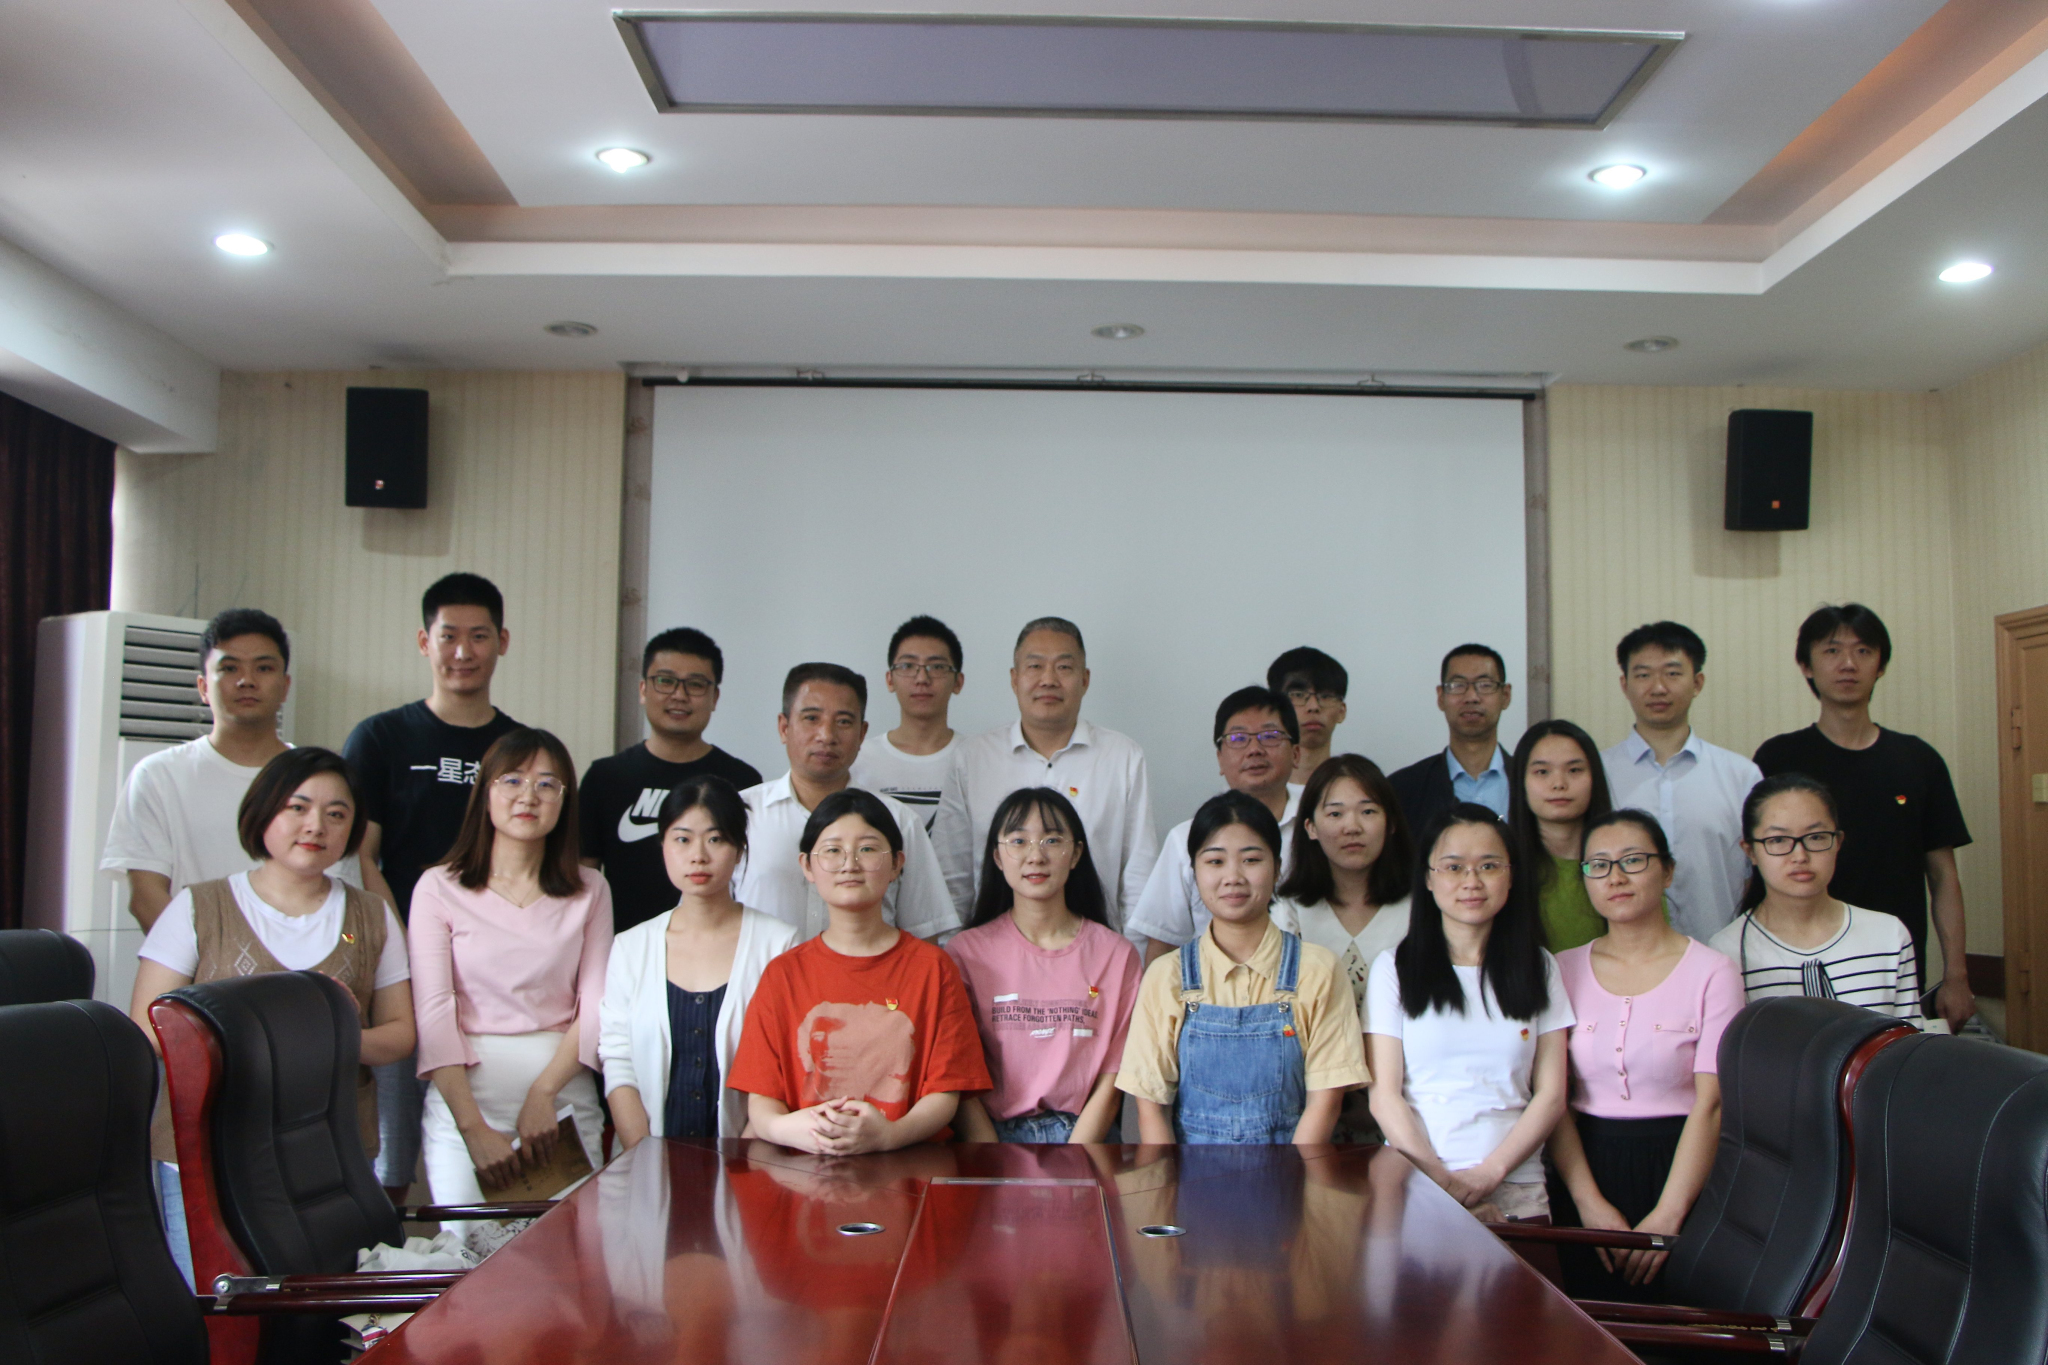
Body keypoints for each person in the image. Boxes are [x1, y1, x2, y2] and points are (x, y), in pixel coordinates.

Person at [129, 747, 412, 1286]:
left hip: (329, 1153)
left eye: (336, 813)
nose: (316, 825)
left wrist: (334, 1036)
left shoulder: (371, 916)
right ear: (263, 814)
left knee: (323, 1308)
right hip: (207, 1149)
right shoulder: (198, 907)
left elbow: (400, 1034)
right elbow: (146, 1028)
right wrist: (265, 1043)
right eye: (297, 807)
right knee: (216, 1305)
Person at [344, 572, 522, 1202]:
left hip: (493, 973)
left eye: (479, 636)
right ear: (425, 642)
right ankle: (388, 1246)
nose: (463, 651)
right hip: (402, 967)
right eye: (449, 636)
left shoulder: (517, 749)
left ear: (502, 642)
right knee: (393, 1150)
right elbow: (361, 855)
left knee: (491, 1142)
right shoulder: (380, 738)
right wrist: (406, 946)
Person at [409, 728, 612, 1215]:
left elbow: (597, 1005)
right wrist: (473, 1128)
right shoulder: (438, 887)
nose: (529, 796)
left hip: (561, 1100)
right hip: (468, 1105)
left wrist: (544, 1094)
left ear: (565, 799)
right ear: (485, 792)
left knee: (566, 1251)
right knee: (472, 1253)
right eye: (513, 780)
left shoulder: (590, 889)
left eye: (547, 784)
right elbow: (434, 1013)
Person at [1547, 809, 1745, 1300]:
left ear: (1668, 870)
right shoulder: (1561, 970)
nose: (1615, 877)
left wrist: (1669, 1215)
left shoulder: (1713, 971)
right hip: (1585, 1167)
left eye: (1633, 860)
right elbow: (1552, 1097)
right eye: (1599, 865)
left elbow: (1712, 1103)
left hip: (1685, 1168)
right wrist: (1587, 1202)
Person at [729, 789, 991, 1154]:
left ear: (897, 863)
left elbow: (946, 1093)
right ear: (807, 866)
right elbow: (761, 1101)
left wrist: (890, 1135)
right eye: (832, 850)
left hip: (908, 1167)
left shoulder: (933, 968)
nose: (849, 863)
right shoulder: (783, 974)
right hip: (801, 1169)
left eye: (867, 849)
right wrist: (794, 1130)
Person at [1752, 604, 1972, 1030]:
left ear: (1881, 665)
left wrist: (1957, 975)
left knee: (1890, 1064)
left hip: (1892, 961)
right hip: (1792, 956)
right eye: (1832, 650)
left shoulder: (1918, 760)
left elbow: (1944, 876)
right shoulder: (1778, 758)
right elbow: (1754, 866)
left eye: (1863, 651)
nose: (1848, 663)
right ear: (1806, 665)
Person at [1117, 791, 1367, 1144]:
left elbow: (1324, 1105)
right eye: (1215, 861)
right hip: (1189, 1174)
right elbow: (1152, 1109)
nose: (1232, 876)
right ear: (1194, 871)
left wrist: (1292, 1176)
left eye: (1251, 859)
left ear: (1277, 868)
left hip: (1294, 1169)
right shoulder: (1166, 976)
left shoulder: (1318, 970)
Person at [1367, 803, 1574, 1222]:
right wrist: (1441, 1181)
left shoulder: (1539, 966)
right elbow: (1384, 1096)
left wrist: (1489, 1173)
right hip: (1415, 1182)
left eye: (1489, 866)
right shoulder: (1393, 968)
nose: (1472, 882)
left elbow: (1552, 1094)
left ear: (1510, 875)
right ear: (1428, 878)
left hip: (1516, 1183)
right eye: (1454, 867)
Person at [102, 608, 363, 930]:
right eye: (229, 668)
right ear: (202, 687)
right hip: (194, 958)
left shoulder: (323, 782)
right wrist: (207, 958)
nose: (247, 681)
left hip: (303, 957)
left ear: (285, 686)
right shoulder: (158, 775)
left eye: (263, 668)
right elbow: (145, 896)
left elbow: (341, 893)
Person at [598, 775, 799, 1146]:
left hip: (750, 1156)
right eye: (683, 839)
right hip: (645, 1159)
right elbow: (618, 1059)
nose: (698, 855)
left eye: (716, 839)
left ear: (740, 849)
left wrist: (742, 1160)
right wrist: (643, 1156)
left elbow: (786, 1064)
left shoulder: (780, 945)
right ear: (662, 845)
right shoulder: (631, 947)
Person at [932, 617, 1159, 931]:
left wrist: (1131, 956)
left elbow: (1139, 876)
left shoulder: (1122, 757)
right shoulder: (972, 758)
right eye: (1035, 666)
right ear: (1014, 679)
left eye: (1064, 667)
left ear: (1085, 679)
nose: (1048, 679)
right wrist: (954, 952)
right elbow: (951, 877)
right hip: (990, 952)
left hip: (1097, 951)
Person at [945, 787, 1141, 1143]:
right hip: (992, 1141)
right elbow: (959, 1074)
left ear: (1076, 853)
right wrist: (991, 1160)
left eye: (1052, 840)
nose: (1035, 856)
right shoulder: (965, 953)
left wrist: (1076, 1159)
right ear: (997, 857)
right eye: (1018, 841)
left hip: (1087, 1139)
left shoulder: (1116, 955)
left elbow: (1114, 1078)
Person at [735, 663, 958, 941]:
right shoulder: (740, 815)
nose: (826, 736)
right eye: (811, 718)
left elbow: (924, 934)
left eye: (843, 722)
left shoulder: (899, 821)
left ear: (862, 734)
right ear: (784, 727)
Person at [580, 628, 764, 934]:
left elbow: (751, 876)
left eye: (695, 684)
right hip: (623, 948)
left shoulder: (742, 781)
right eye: (665, 681)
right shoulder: (605, 777)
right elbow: (583, 877)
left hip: (719, 947)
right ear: (643, 689)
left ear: (715, 697)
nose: (679, 695)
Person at [1274, 754, 1415, 1141]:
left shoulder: (1422, 908)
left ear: (1390, 824)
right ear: (1310, 827)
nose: (1352, 826)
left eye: (1368, 811)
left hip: (1410, 1100)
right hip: (1309, 1103)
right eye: (1335, 813)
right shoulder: (1288, 911)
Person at [1708, 772, 1922, 1021]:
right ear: (1750, 851)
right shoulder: (1725, 952)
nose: (1800, 856)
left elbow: (1908, 1040)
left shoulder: (1889, 936)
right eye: (1778, 840)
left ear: (1838, 842)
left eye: (1816, 837)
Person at [1600, 622, 1763, 945]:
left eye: (1672, 673)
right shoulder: (1597, 773)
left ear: (1697, 682)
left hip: (1722, 952)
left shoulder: (1741, 776)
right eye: (1643, 675)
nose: (1658, 688)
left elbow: (1758, 875)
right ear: (1624, 684)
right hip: (1623, 956)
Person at [1127, 686, 1304, 961]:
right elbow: (1163, 943)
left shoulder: (1319, 828)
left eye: (1270, 736)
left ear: (1296, 753)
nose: (1254, 750)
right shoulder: (1185, 838)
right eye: (1238, 738)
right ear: (1220, 758)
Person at [1507, 720, 1615, 952]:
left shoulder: (1626, 866)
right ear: (1521, 782)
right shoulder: (1503, 868)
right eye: (1542, 772)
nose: (1558, 784)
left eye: (1574, 770)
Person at [851, 615, 965, 831]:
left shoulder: (974, 758)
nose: (922, 678)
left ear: (958, 682)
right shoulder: (858, 760)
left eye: (937, 667)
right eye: (907, 666)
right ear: (890, 680)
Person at [1388, 644, 1515, 832]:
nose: (1471, 697)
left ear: (1505, 695)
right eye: (1458, 685)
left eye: (1485, 685)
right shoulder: (1403, 788)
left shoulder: (1530, 782)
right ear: (1441, 697)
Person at [1267, 646, 1349, 788]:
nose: (1313, 706)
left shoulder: (1359, 792)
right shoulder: (1257, 792)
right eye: (1298, 695)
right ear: (1274, 708)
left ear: (1341, 711)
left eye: (1325, 696)